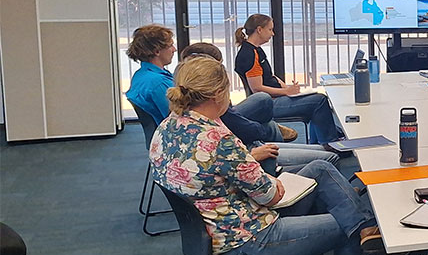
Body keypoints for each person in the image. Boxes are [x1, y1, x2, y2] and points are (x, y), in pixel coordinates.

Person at [149, 56, 381, 255]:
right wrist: (271, 182)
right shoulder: (218, 138)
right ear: (217, 94)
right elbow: (270, 195)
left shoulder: (166, 128)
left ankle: (361, 230)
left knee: (319, 169)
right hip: (246, 241)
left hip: (213, 234)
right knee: (347, 228)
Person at [177, 42, 334, 172]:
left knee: (262, 102)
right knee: (328, 158)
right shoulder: (218, 133)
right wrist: (252, 155)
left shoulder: (177, 122)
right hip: (254, 163)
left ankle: (274, 130)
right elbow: (265, 192)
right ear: (217, 93)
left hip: (249, 151)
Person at [126, 24, 295, 142]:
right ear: (156, 51)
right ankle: (268, 131)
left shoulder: (143, 76)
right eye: (170, 45)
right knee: (240, 109)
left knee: (261, 100)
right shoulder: (157, 84)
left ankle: (265, 130)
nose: (174, 49)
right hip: (195, 133)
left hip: (187, 128)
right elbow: (183, 120)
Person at [233, 14, 343, 144]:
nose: (272, 33)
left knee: (317, 101)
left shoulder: (256, 50)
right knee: (319, 101)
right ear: (259, 30)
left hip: (276, 98)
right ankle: (330, 142)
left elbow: (270, 76)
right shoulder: (248, 54)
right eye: (270, 29)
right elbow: (257, 89)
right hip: (269, 104)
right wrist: (286, 92)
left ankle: (320, 142)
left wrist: (286, 88)